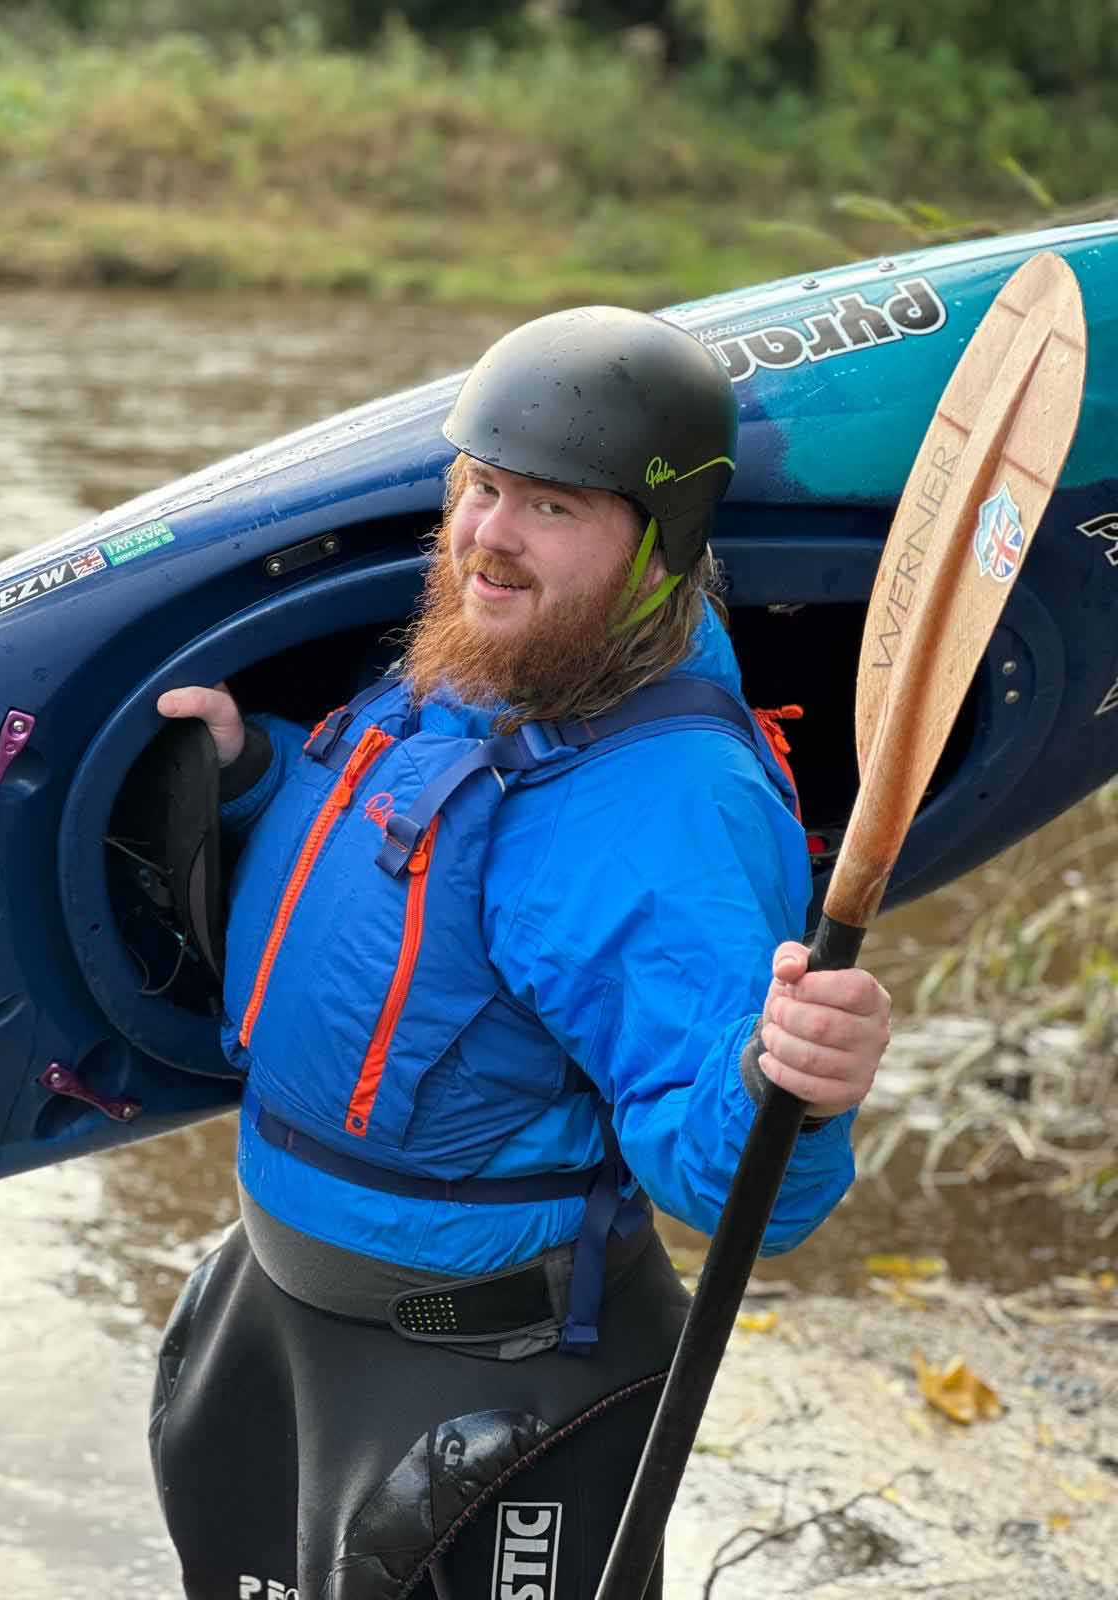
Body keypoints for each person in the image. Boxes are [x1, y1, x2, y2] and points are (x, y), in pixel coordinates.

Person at [149, 305, 891, 1600]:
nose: (489, 535)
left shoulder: (668, 809)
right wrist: (254, 778)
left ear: (660, 549)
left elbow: (745, 1193)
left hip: (489, 1393)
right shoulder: (483, 663)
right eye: (481, 488)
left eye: (550, 507)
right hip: (290, 1317)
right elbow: (418, 887)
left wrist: (791, 1082)